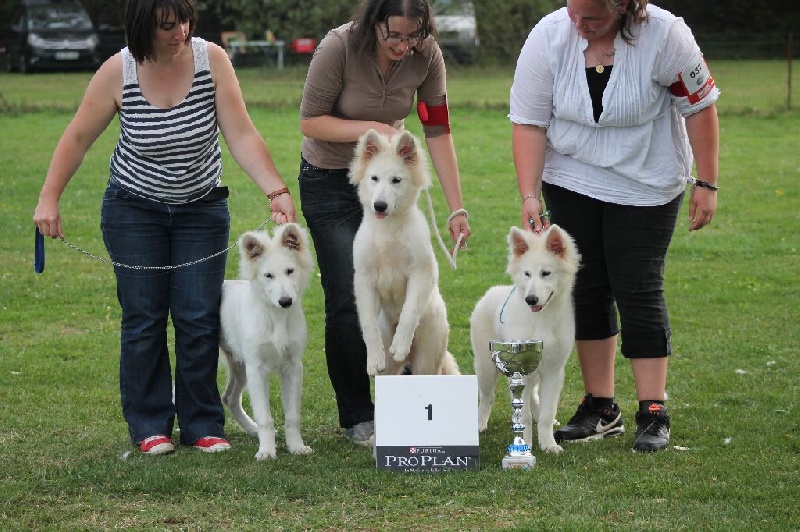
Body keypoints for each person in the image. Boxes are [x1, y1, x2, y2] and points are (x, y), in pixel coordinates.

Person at [33, 0, 296, 455]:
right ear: (142, 28)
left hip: (201, 209)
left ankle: (202, 423)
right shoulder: (118, 71)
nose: (181, 33)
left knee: (197, 318)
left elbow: (240, 132)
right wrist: (48, 197)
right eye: (167, 26)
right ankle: (149, 424)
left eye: (186, 22)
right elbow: (77, 136)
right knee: (144, 319)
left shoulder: (211, 59)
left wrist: (275, 190)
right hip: (134, 209)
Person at [510, 0, 719, 452]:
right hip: (570, 177)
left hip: (647, 180)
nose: (581, 26)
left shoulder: (666, 35)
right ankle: (600, 407)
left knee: (638, 285)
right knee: (585, 288)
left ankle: (653, 410)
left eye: (594, 19)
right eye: (575, 15)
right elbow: (528, 121)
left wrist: (707, 181)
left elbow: (700, 108)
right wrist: (530, 194)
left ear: (624, 7)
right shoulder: (548, 37)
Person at [298, 0, 471, 446]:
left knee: (407, 294)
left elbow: (437, 128)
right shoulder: (338, 47)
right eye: (393, 35)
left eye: (412, 36)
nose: (402, 45)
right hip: (332, 183)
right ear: (374, 23)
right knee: (345, 296)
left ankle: (412, 407)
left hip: (391, 183)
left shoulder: (426, 54)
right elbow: (310, 121)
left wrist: (456, 208)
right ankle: (359, 414)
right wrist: (372, 128)